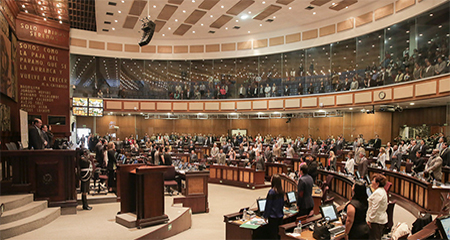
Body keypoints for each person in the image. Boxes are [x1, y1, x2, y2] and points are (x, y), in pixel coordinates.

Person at [367, 174, 388, 240]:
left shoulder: (378, 193)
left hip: (376, 221)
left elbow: (374, 208)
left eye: (373, 180)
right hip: (378, 220)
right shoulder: (381, 191)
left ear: (377, 183)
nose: (371, 182)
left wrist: (369, 220)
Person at [263, 175, 285, 240]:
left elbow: (268, 205)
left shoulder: (271, 192)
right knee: (278, 234)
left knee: (273, 235)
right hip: (280, 216)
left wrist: (265, 216)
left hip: (273, 217)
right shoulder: (281, 191)